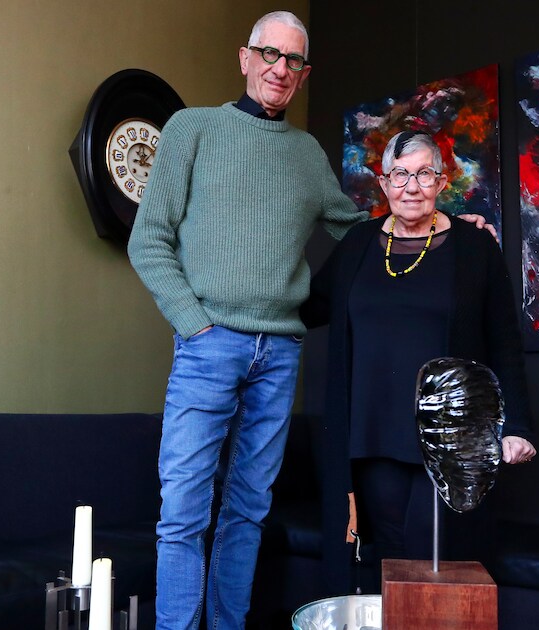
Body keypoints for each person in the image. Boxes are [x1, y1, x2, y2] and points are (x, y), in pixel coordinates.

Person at [127, 11, 364, 630]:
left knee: (248, 512)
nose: (280, 69)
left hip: (280, 354)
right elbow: (148, 240)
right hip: (208, 344)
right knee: (183, 512)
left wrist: (440, 224)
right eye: (270, 54)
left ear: (303, 74)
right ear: (245, 57)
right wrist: (194, 324)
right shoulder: (192, 128)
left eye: (294, 61)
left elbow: (359, 234)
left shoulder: (306, 153)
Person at [301, 130, 537, 594]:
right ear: (383, 183)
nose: (411, 186)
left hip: (448, 438)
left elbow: (505, 342)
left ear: (441, 182)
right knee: (387, 558)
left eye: (424, 174)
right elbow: (306, 307)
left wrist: (518, 425)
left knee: (433, 560)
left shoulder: (474, 246)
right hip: (371, 434)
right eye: (400, 175)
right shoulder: (357, 244)